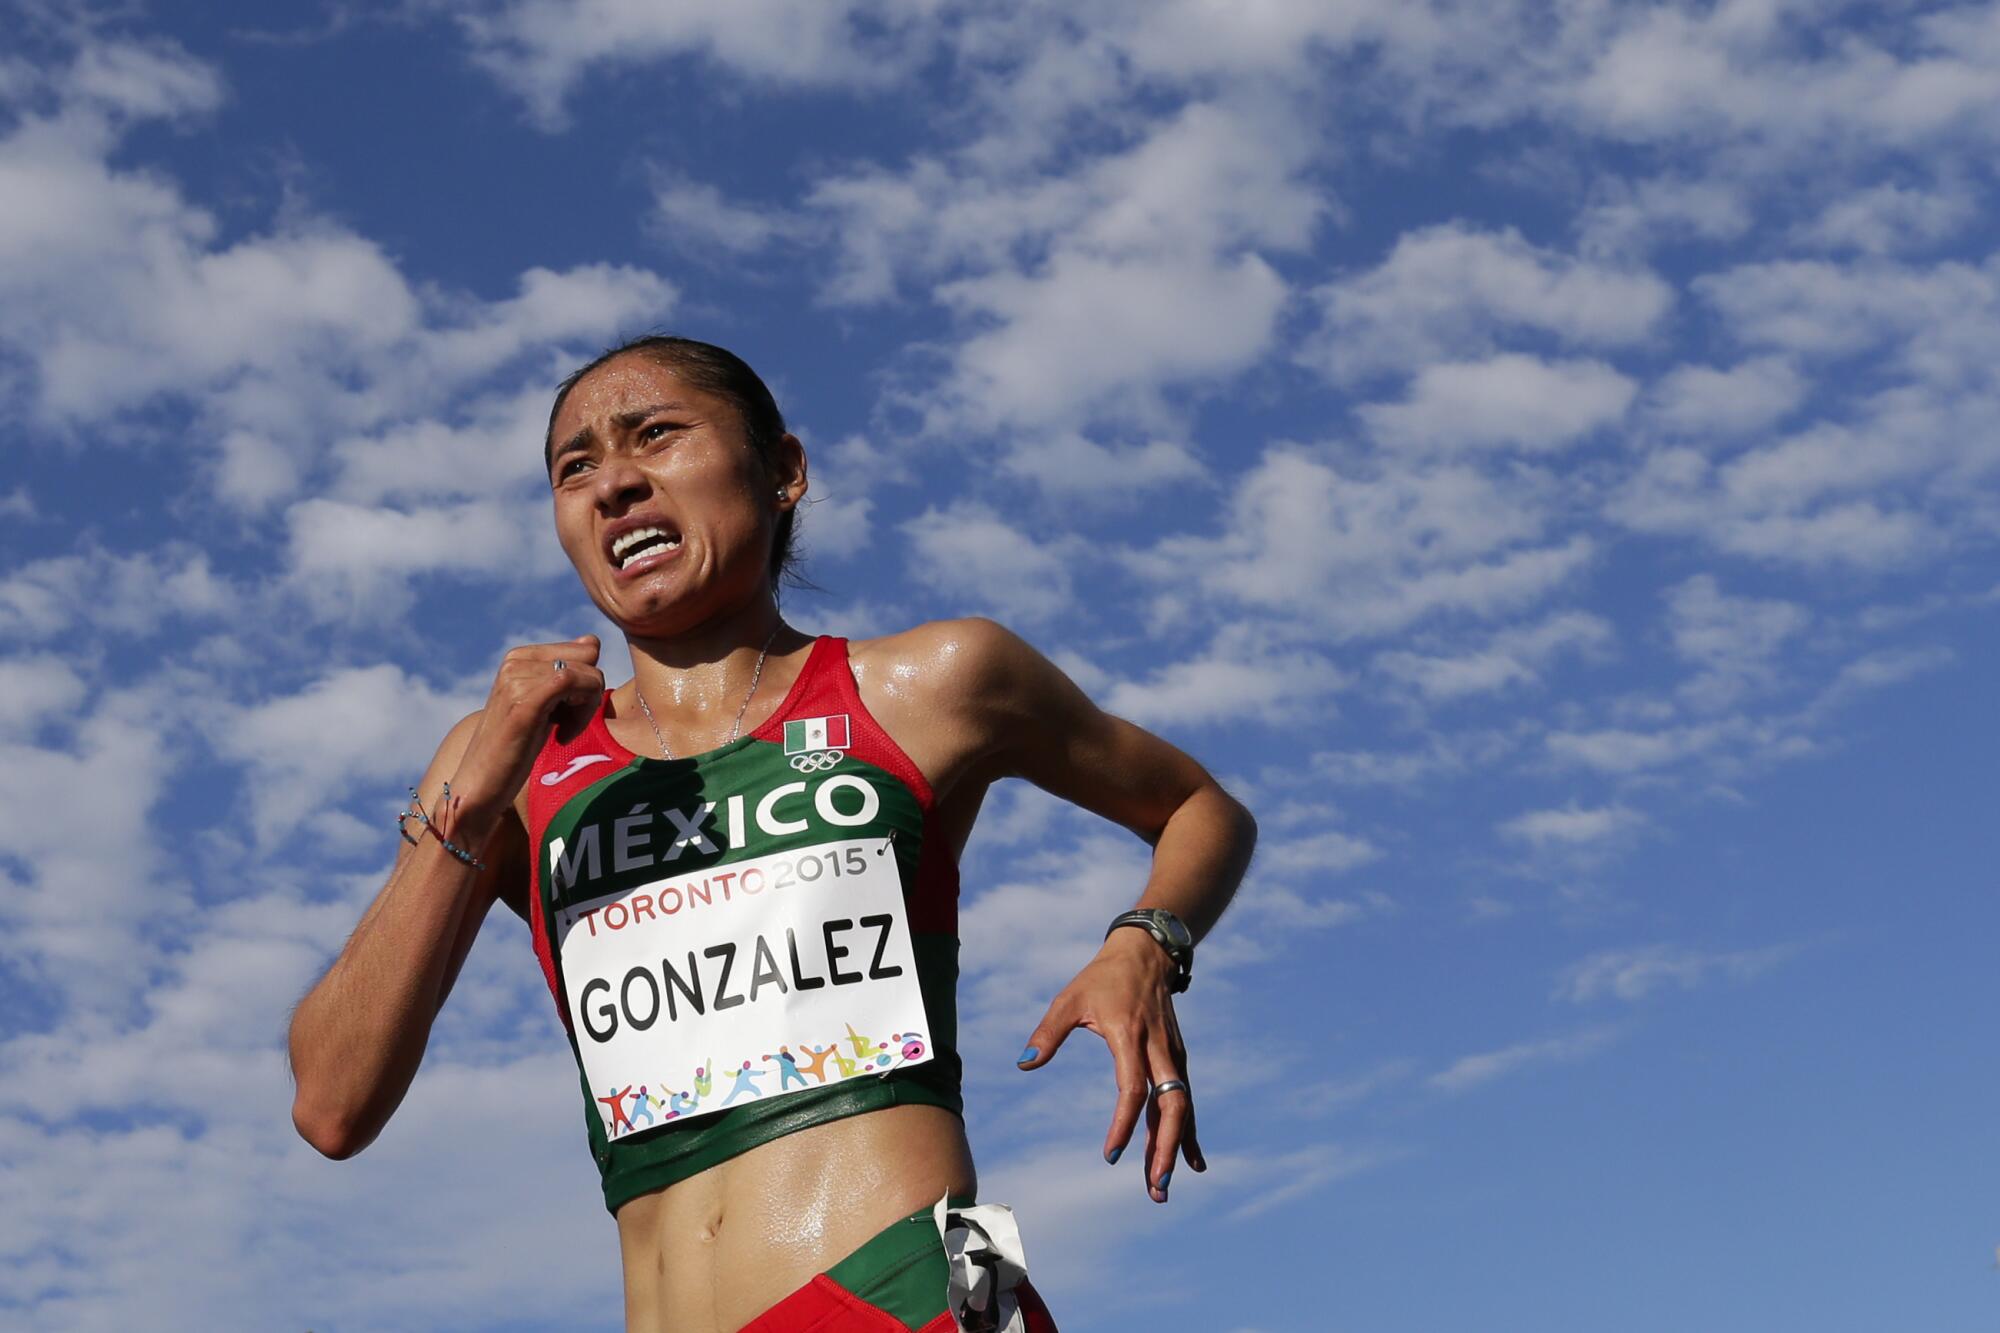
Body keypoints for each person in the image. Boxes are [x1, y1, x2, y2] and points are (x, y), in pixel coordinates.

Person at [286, 335, 1257, 1332]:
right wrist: (472, 798)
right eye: (575, 467)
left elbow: (1199, 807)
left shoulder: (930, 681)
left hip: (905, 1290)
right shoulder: (510, 767)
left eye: (655, 435)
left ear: (782, 471)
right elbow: (332, 1103)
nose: (614, 480)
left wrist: (1146, 939)